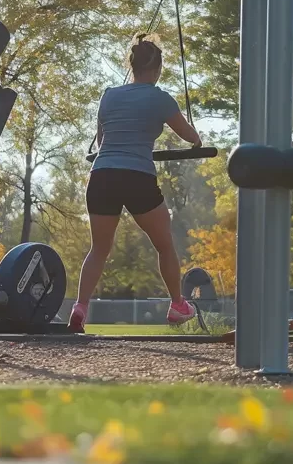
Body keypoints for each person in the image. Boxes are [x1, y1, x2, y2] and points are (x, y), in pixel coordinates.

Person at [71, 34, 203, 332]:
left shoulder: (109, 95)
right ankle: (178, 305)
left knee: (99, 249)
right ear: (156, 69)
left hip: (102, 175)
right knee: (164, 245)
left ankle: (80, 307)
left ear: (131, 66)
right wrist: (198, 140)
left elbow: (102, 140)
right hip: (137, 176)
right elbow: (187, 134)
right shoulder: (159, 97)